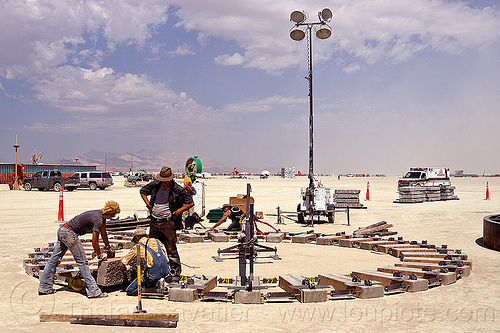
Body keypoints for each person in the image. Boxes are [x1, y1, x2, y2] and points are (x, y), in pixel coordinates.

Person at [38, 201, 120, 298]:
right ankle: (93, 291)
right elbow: (95, 242)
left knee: (53, 260)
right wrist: (99, 255)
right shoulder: (98, 220)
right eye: (114, 215)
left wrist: (108, 247)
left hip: (63, 230)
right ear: (110, 213)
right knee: (82, 262)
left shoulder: (100, 215)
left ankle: (44, 287)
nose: (113, 217)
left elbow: (103, 233)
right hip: (70, 234)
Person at [140, 166, 193, 282]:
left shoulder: (177, 189)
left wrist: (178, 212)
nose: (163, 183)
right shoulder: (155, 185)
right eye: (162, 181)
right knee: (152, 248)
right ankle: (154, 271)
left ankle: (175, 273)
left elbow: (190, 203)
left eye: (166, 181)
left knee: (171, 249)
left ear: (170, 180)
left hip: (168, 223)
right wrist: (148, 204)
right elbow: (142, 191)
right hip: (154, 221)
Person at [120, 228, 170, 296]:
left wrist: (126, 268)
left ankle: (154, 289)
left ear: (136, 237)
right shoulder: (156, 241)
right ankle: (157, 283)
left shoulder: (137, 247)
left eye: (135, 240)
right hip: (165, 272)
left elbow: (122, 264)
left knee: (130, 290)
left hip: (153, 275)